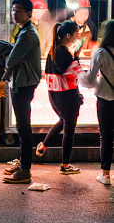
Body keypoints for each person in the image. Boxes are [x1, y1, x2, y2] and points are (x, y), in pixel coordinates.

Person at [3, 0, 41, 184]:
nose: (14, 13)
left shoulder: (28, 34)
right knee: (21, 125)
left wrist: (7, 54)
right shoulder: (23, 30)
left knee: (24, 126)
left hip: (24, 83)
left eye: (18, 10)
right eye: (13, 10)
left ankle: (25, 169)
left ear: (28, 14)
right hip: (21, 81)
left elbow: (10, 60)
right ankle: (22, 162)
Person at [36, 21, 82, 174]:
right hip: (67, 97)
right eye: (76, 34)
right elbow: (73, 72)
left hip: (55, 95)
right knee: (69, 129)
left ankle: (43, 146)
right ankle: (65, 165)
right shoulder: (63, 52)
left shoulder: (52, 51)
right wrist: (76, 57)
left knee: (63, 122)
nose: (77, 36)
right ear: (68, 35)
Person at [79, 20, 114, 185]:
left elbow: (91, 79)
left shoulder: (100, 53)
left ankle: (105, 175)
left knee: (106, 136)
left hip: (105, 99)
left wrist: (80, 75)